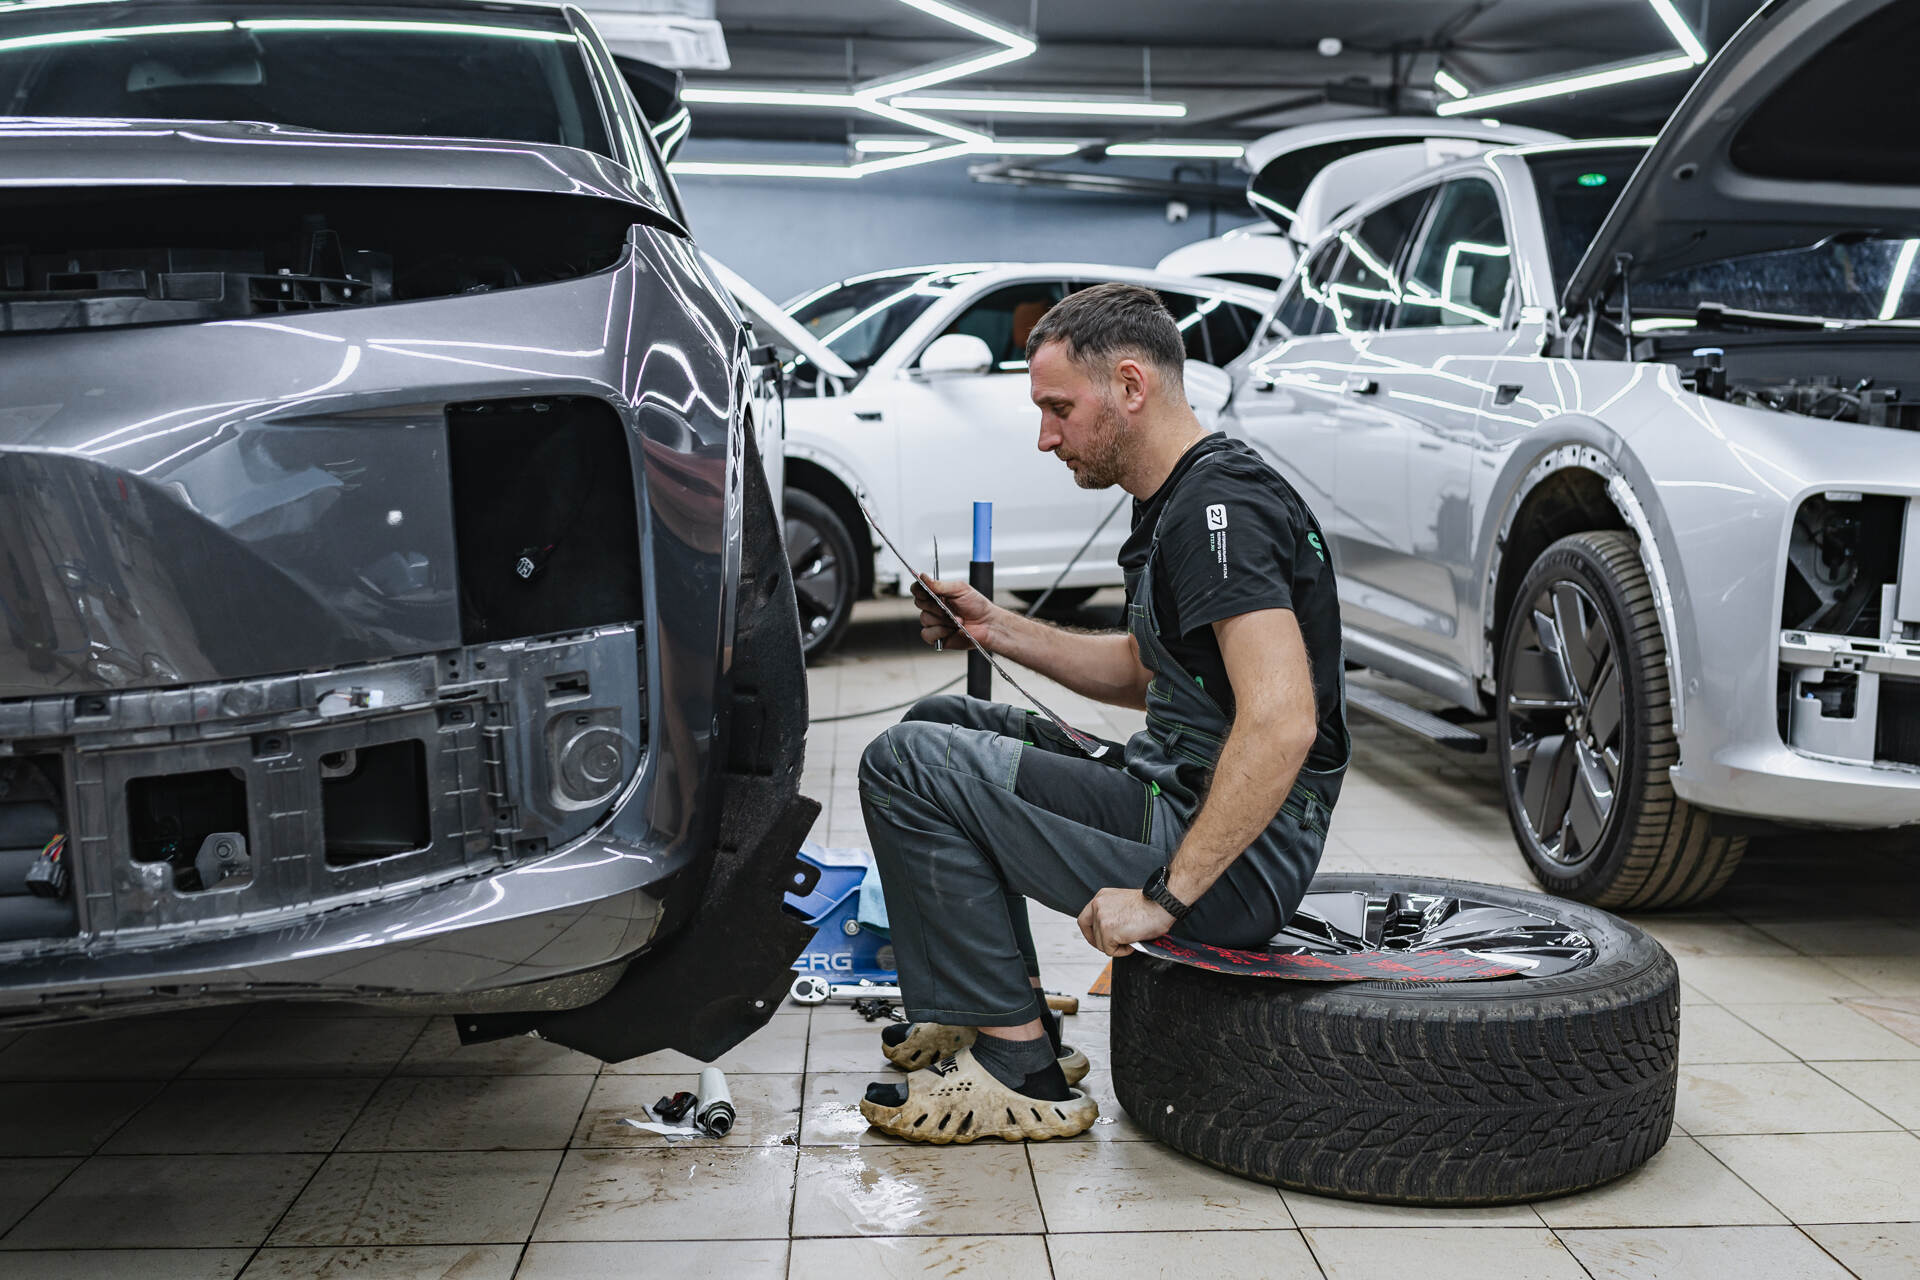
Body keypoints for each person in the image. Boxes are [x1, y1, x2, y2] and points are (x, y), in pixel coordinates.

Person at [857, 282, 1349, 1143]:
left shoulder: (1220, 511)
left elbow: (1282, 721)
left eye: (1059, 409)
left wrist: (1164, 898)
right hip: (1181, 797)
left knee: (904, 767)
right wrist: (994, 628)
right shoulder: (1177, 498)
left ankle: (1020, 1069)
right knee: (940, 721)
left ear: (1129, 386)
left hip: (1231, 860)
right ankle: (999, 1007)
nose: (1046, 437)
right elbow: (1149, 670)